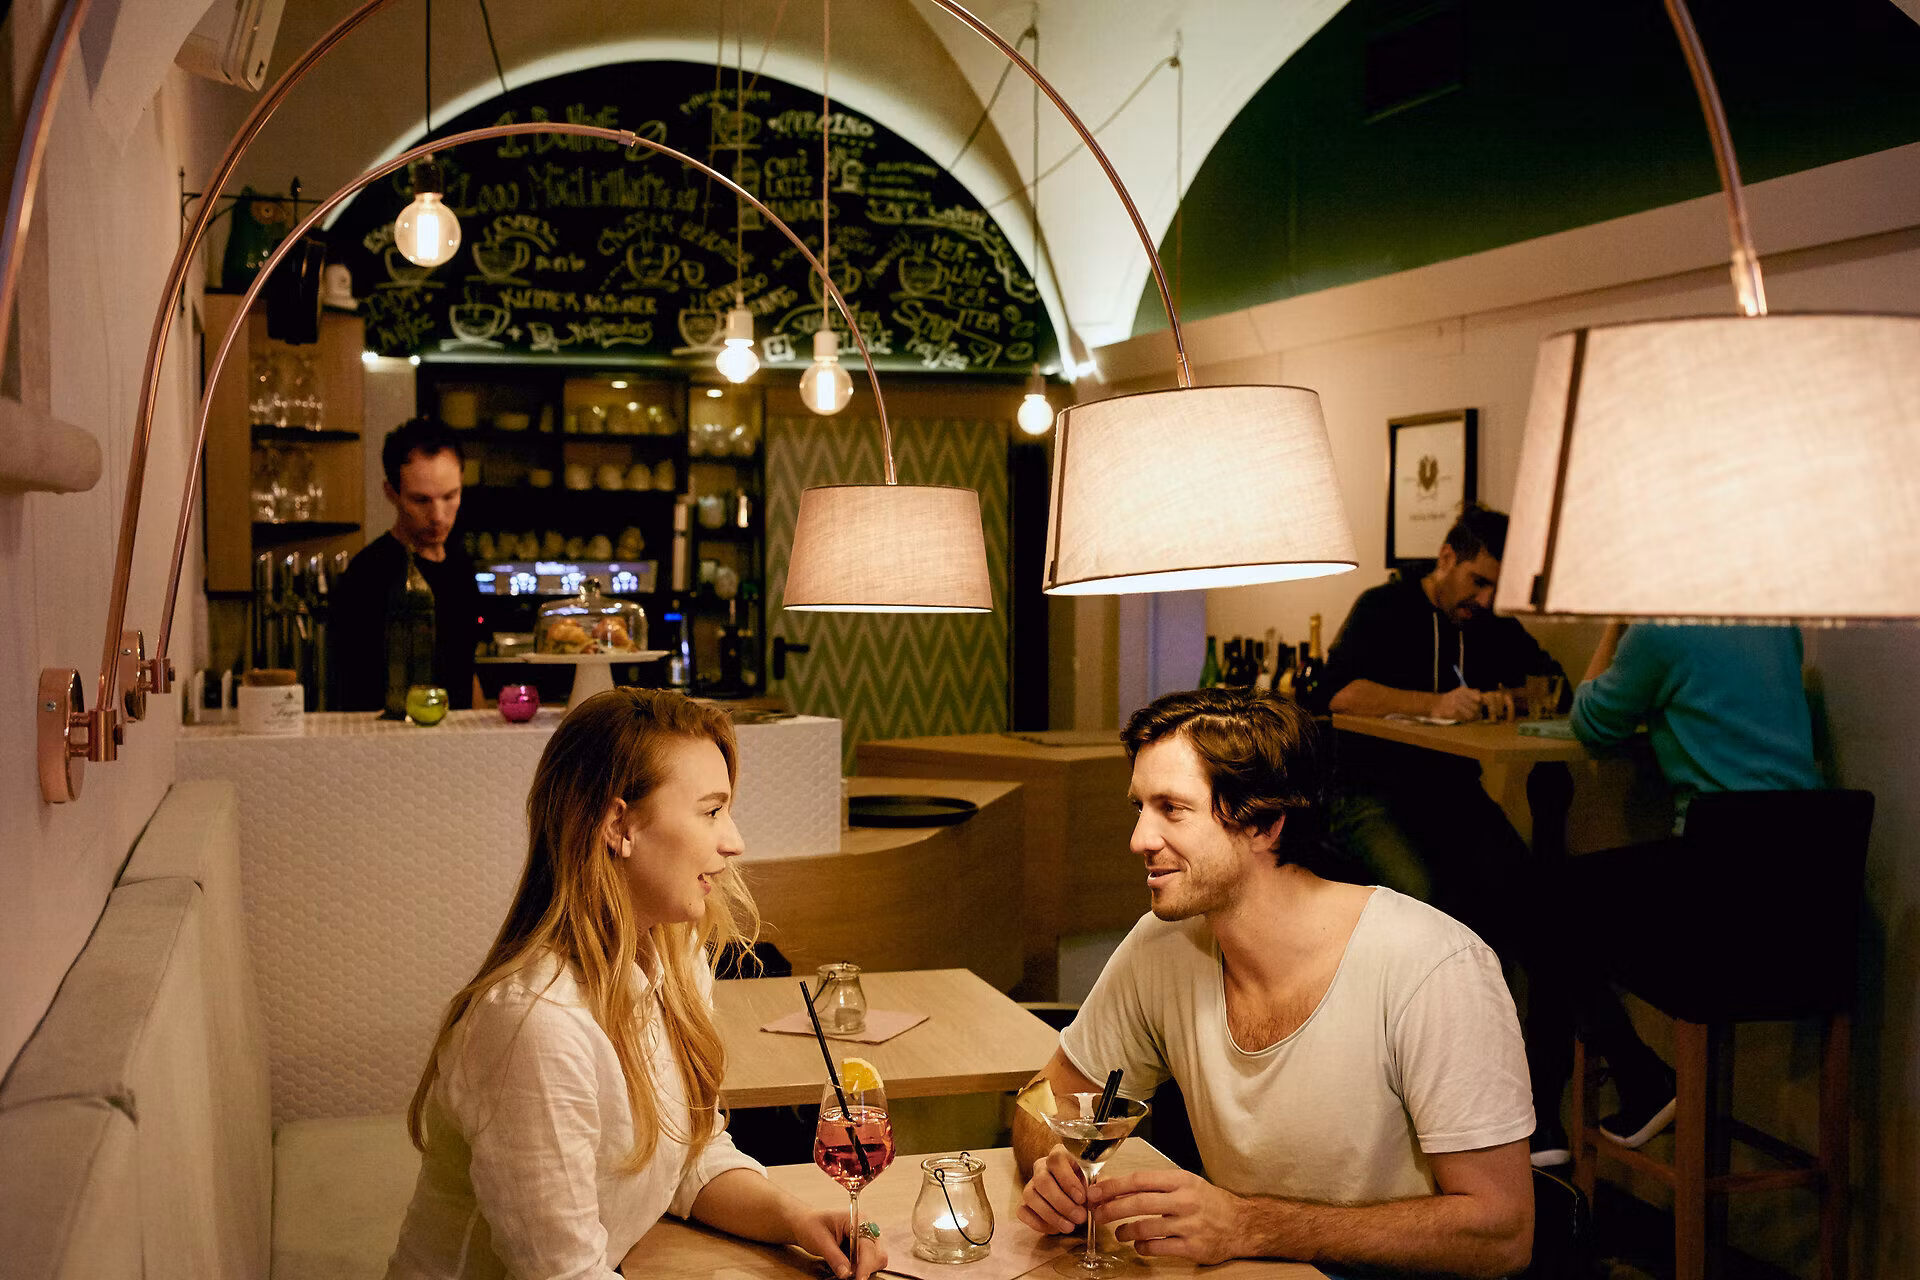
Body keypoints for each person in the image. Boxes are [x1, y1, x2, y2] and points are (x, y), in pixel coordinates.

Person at [1014, 687, 1534, 1278]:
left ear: (1265, 823)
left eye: (1172, 809)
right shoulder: (1163, 946)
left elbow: (1504, 1233)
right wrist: (1050, 1165)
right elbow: (1044, 1098)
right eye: (1140, 808)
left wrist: (1251, 1225)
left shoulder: (1432, 967)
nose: (1139, 839)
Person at [385, 689, 885, 1280]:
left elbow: (689, 1156)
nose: (734, 840)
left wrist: (794, 1218)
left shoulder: (675, 963)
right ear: (619, 825)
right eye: (710, 810)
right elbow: (567, 1274)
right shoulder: (535, 1027)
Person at [1525, 622, 1824, 1162]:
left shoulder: (1661, 630)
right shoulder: (1777, 623)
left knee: (1549, 904)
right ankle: (1610, 1094)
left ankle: (1635, 1083)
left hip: (1720, 887)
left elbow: (1590, 724)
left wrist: (1614, 627)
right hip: (1809, 890)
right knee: (1568, 904)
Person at [1310, 505, 1568, 953]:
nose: (1485, 600)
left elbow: (1554, 685)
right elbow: (1339, 694)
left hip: (1454, 793)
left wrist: (1508, 699)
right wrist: (1436, 703)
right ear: (1447, 558)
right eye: (1479, 581)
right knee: (1425, 903)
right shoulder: (1384, 606)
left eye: (1495, 588)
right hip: (1369, 795)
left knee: (1524, 891)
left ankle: (1503, 1015)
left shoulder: (1489, 622)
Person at [331, 417, 481, 711]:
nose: (438, 515)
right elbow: (353, 689)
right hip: (391, 742)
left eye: (450, 496)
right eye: (421, 500)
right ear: (392, 494)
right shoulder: (369, 574)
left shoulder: (461, 566)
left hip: (459, 740)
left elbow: (465, 668)